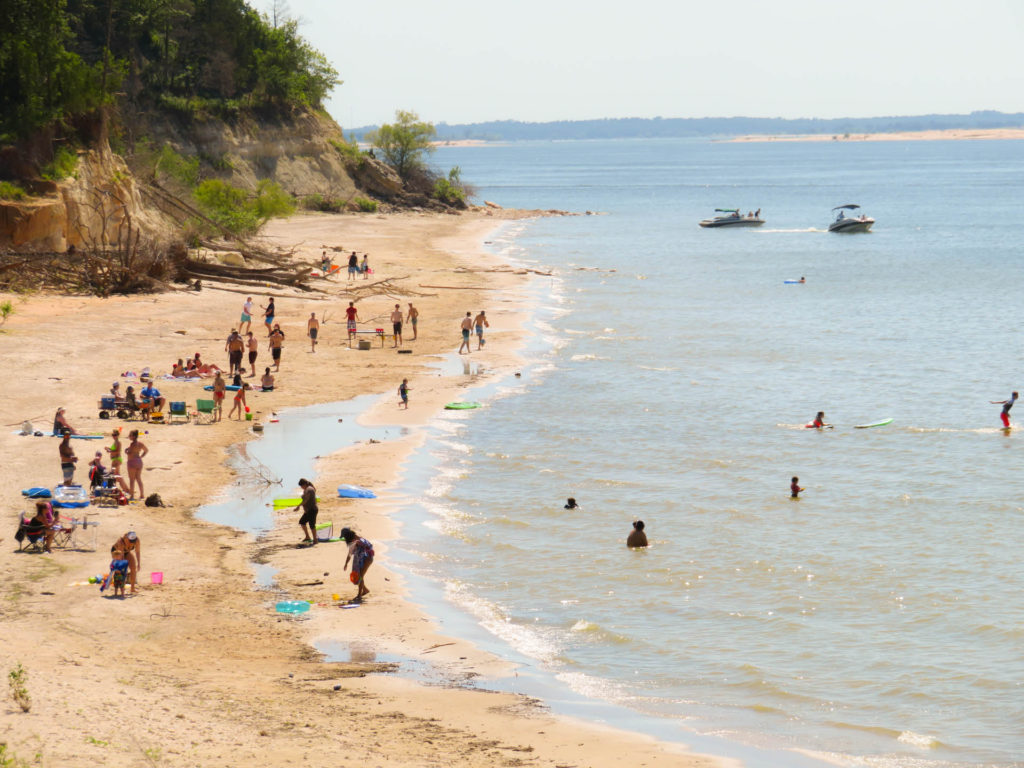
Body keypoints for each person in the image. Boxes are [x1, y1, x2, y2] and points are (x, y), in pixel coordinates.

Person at [341, 527, 374, 601]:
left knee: (360, 576)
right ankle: (365, 590)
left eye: (344, 537)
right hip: (365, 559)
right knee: (360, 576)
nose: (344, 539)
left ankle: (359, 595)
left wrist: (346, 564)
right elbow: (350, 554)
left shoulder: (357, 541)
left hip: (367, 559)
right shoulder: (356, 540)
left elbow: (350, 554)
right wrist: (346, 564)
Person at [293, 478, 318, 545]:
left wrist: (298, 506)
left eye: (301, 486)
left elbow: (305, 500)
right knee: (302, 522)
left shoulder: (309, 490)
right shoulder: (307, 489)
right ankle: (307, 536)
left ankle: (315, 539)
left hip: (312, 510)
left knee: (312, 525)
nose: (301, 487)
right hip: (308, 510)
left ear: (304, 484)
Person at [125, 429, 148, 501]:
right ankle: (142, 494)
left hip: (132, 462)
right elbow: (146, 450)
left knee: (132, 480)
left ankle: (132, 496)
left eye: (130, 435)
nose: (129, 436)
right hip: (139, 462)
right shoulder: (140, 443)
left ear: (134, 436)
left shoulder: (132, 444)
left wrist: (126, 451)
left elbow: (129, 453)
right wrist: (141, 456)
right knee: (138, 478)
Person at [105, 429, 130, 493]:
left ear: (118, 435)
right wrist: (108, 449)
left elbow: (118, 451)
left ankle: (125, 490)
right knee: (117, 475)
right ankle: (126, 489)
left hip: (116, 459)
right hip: (115, 459)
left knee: (115, 476)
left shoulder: (118, 442)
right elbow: (114, 450)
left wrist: (110, 450)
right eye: (113, 435)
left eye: (115, 435)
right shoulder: (115, 442)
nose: (113, 436)